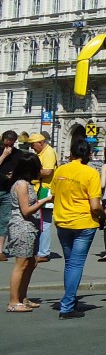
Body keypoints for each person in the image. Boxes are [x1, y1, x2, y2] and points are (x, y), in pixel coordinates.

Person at [52, 137, 103, 319]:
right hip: (84, 223)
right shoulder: (90, 173)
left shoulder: (60, 171)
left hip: (62, 221)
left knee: (69, 263)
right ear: (88, 154)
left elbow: (53, 194)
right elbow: (95, 205)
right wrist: (104, 216)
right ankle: (67, 306)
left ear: (71, 152)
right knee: (76, 263)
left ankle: (69, 301)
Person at [5, 151, 52, 312]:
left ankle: (22, 297)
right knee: (21, 264)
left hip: (29, 227)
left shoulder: (25, 183)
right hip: (22, 227)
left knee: (31, 262)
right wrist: (45, 200)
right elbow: (26, 210)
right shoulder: (22, 185)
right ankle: (13, 301)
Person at [28, 132, 57, 261]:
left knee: (44, 222)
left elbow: (48, 171)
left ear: (41, 142)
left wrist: (30, 172)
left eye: (33, 145)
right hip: (40, 189)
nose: (32, 147)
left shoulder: (49, 152)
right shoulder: (41, 153)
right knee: (40, 222)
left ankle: (43, 252)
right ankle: (40, 250)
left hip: (46, 189)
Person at [0, 129, 18, 259]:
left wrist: (14, 175)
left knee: (4, 220)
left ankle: (0, 250)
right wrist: (4, 156)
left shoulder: (18, 154)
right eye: (6, 144)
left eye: (11, 144)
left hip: (7, 190)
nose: (9, 147)